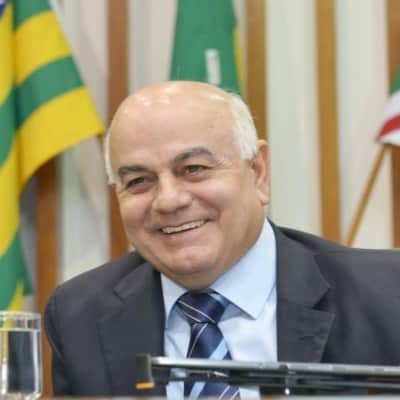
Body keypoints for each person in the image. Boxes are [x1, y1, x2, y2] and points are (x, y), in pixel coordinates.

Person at [45, 81, 400, 398]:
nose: (168, 200)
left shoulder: (387, 294)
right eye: (139, 181)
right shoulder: (79, 315)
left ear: (258, 173)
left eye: (194, 169)